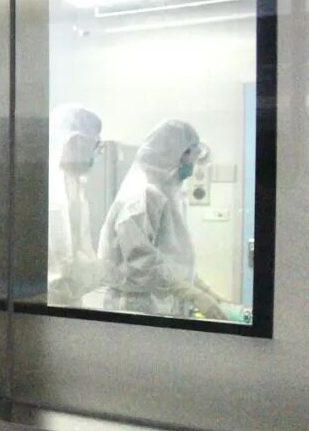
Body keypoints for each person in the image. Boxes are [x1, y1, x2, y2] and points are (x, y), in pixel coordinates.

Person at [97, 118, 227, 319]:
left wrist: (201, 288)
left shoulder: (166, 192)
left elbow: (171, 257)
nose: (193, 163)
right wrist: (192, 294)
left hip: (157, 303)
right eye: (192, 155)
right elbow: (141, 261)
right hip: (136, 307)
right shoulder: (142, 195)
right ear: (178, 154)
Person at [47, 105, 103, 306]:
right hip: (47, 303)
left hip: (69, 300)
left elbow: (80, 250)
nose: (95, 154)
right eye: (94, 145)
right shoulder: (49, 191)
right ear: (73, 142)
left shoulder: (75, 187)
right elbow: (59, 261)